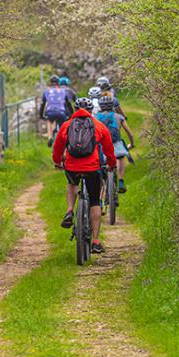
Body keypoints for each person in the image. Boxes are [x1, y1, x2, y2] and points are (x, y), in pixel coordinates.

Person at [52, 97, 117, 255]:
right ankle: (96, 241)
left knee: (72, 183)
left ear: (75, 110)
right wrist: (111, 163)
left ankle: (69, 210)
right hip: (92, 168)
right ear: (91, 110)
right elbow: (109, 148)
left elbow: (58, 146)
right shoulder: (98, 125)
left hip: (72, 167)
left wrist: (57, 161)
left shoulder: (67, 125)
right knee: (94, 201)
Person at [96, 96, 135, 193]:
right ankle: (121, 180)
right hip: (115, 144)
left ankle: (99, 194)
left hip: (101, 146)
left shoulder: (95, 118)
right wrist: (132, 144)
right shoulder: (119, 117)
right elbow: (130, 133)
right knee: (120, 157)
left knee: (99, 167)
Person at [39, 75, 72, 146]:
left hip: (50, 111)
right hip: (61, 111)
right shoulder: (63, 91)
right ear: (58, 83)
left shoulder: (46, 91)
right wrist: (71, 113)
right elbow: (68, 103)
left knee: (49, 121)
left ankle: (50, 137)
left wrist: (41, 115)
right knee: (63, 126)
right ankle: (64, 140)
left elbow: (42, 104)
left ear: (50, 83)